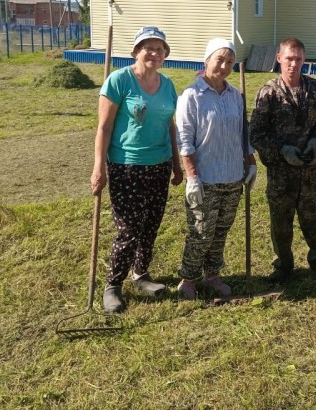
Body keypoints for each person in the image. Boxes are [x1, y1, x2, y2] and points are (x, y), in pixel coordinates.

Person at [91, 26, 183, 313]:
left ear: (165, 54)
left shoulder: (167, 84)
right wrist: (99, 168)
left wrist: (177, 164)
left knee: (151, 225)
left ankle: (141, 274)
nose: (154, 53)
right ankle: (113, 285)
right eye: (148, 47)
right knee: (129, 228)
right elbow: (104, 128)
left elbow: (171, 126)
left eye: (160, 48)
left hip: (160, 164)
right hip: (126, 165)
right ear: (136, 52)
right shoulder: (119, 80)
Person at [174, 39, 257, 300]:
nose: (224, 66)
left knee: (221, 231)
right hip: (206, 178)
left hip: (233, 176)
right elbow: (184, 139)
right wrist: (192, 177)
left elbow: (243, 132)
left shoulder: (235, 95)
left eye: (230, 62)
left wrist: (251, 162)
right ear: (206, 61)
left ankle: (212, 275)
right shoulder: (192, 95)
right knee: (201, 232)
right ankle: (188, 279)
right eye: (219, 59)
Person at [249, 37, 316, 282]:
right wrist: (281, 151)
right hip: (281, 172)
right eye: (288, 58)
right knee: (281, 222)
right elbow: (256, 133)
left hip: (311, 169)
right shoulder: (269, 92)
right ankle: (283, 265)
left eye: (298, 59)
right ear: (279, 58)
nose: (293, 64)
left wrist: (315, 142)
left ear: (304, 60)